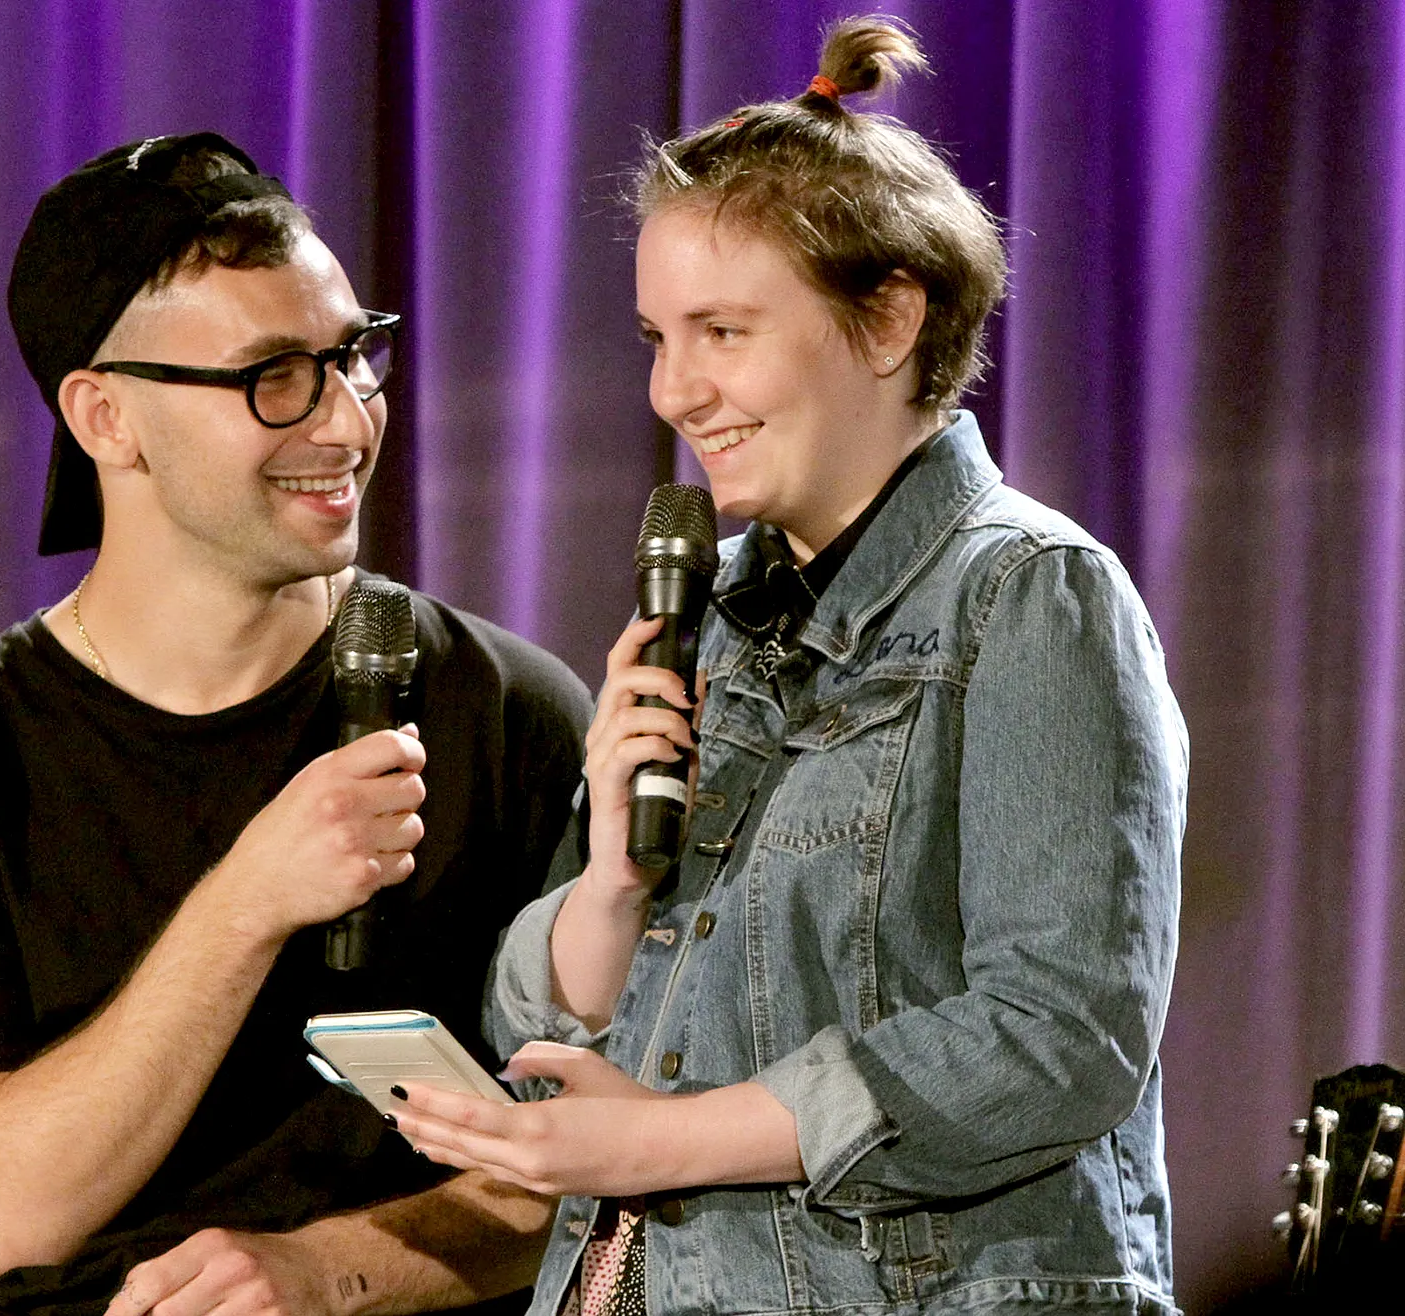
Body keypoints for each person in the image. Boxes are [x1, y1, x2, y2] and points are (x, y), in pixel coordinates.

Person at [391, 18, 1187, 1315]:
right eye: (658, 338)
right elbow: (541, 1034)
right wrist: (604, 882)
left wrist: (663, 1141)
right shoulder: (706, 616)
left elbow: (1062, 1036)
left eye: (722, 332)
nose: (674, 391)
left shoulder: (1030, 595)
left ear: (886, 321)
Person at [0, 132, 592, 1316]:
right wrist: (247, 898)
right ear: (105, 418)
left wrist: (323, 1273)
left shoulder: (510, 712)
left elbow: (590, 1175)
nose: (344, 422)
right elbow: (3, 1217)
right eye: (275, 375)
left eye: (355, 356)